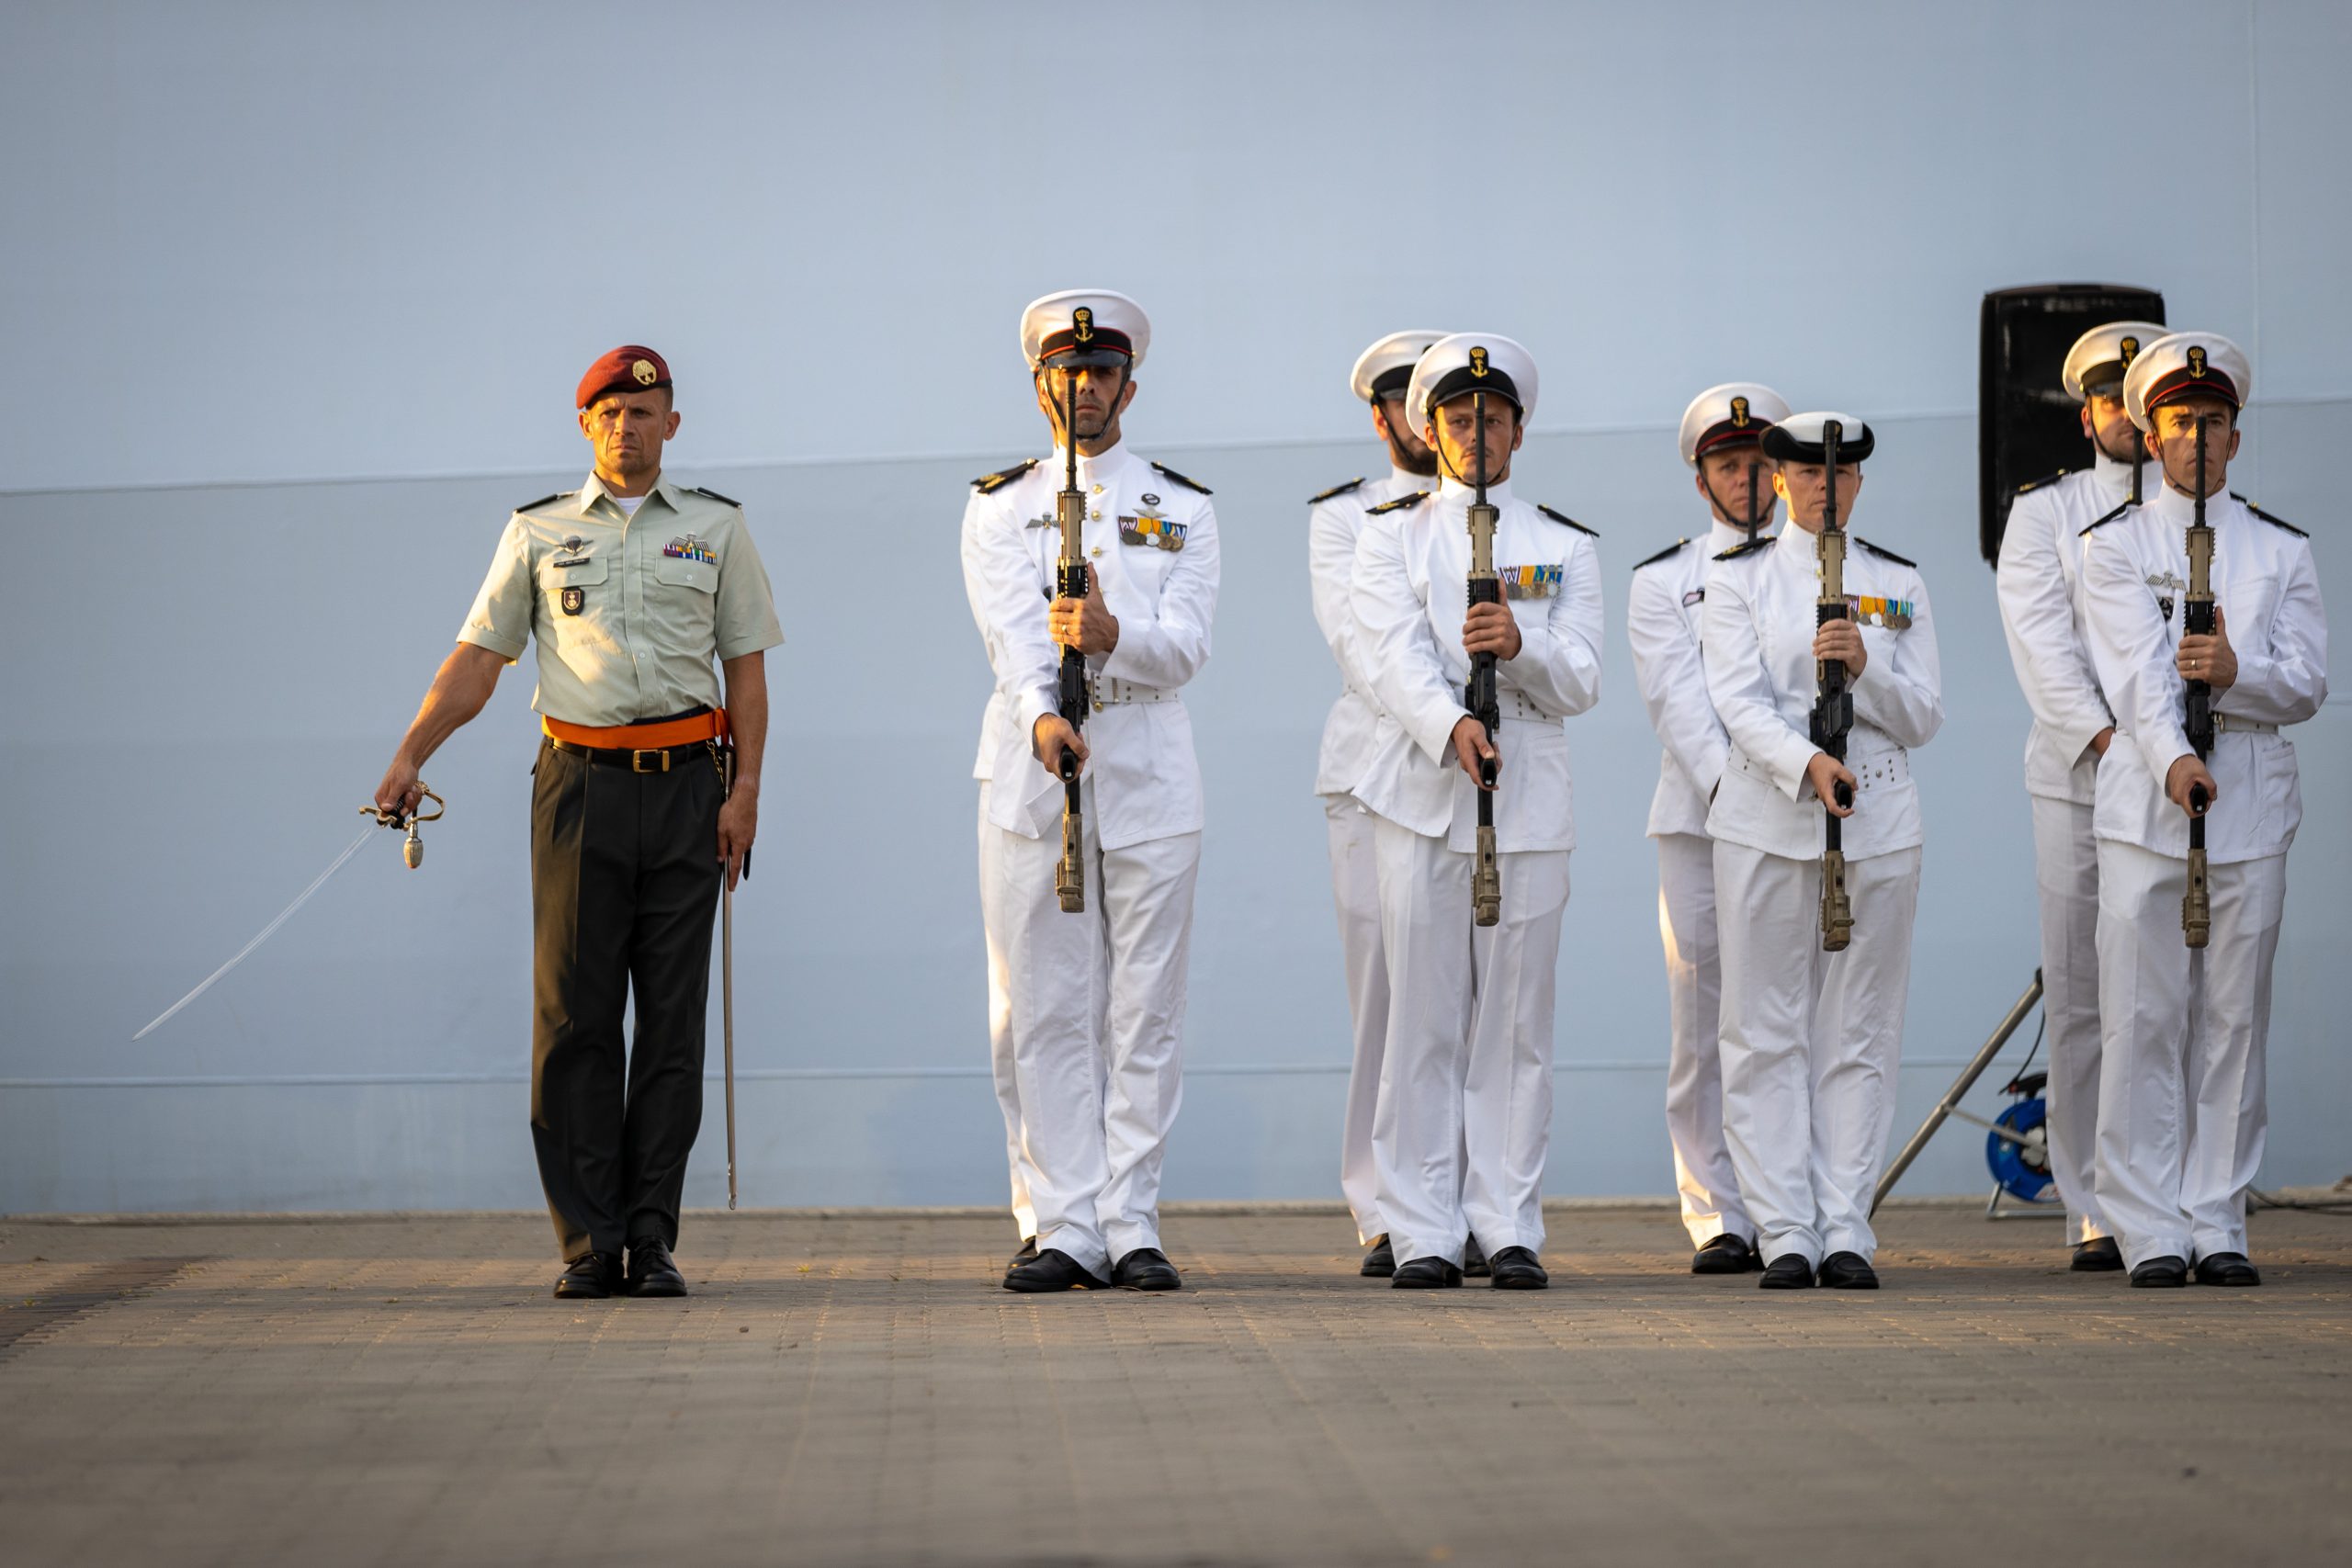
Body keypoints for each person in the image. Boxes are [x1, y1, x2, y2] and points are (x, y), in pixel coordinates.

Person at [371, 345, 781, 1299]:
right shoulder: (537, 530)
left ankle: (651, 1237)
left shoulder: (718, 529)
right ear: (586, 424)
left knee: (670, 1024)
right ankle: (590, 1241)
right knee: (572, 1019)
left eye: (644, 414)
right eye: (608, 414)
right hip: (579, 788)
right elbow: (479, 660)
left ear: (671, 425)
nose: (625, 428)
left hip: (688, 788)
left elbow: (747, 671)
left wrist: (747, 790)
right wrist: (410, 752)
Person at [960, 289, 1221, 1292]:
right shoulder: (998, 505)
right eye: (1067, 374)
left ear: (1128, 385)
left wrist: (1118, 638)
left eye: (1102, 372)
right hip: (1037, 766)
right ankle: (1062, 1220)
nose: (1084, 388)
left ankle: (1131, 1218)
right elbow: (1010, 631)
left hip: (1149, 768)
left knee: (1143, 1007)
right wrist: (1040, 712)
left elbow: (1189, 644)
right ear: (1041, 386)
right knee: (1041, 1005)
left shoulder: (1182, 506)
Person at [1350, 333, 1603, 1289]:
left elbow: (1582, 676)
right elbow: (1387, 656)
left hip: (1529, 796)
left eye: (1493, 420)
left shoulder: (1563, 542)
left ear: (1519, 430)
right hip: (1424, 795)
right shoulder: (1391, 533)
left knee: (1514, 1025)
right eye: (1459, 420)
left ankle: (1505, 1224)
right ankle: (1419, 1228)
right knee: (1423, 1017)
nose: (1477, 435)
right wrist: (1450, 720)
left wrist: (1522, 641)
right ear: (1431, 430)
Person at [2079, 332, 2327, 1289]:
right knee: (2141, 1018)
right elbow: (2136, 679)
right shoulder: (2110, 550)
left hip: (2251, 809)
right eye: (2179, 422)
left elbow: (2305, 681)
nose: (2197, 439)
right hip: (2149, 805)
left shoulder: (2279, 549)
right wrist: (2178, 756)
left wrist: (2237, 673)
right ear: (2148, 435)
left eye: (2214, 421)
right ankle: (2146, 1225)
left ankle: (2216, 1216)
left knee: (2231, 1020)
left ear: (2235, 433)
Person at [1704, 412, 1942, 1291]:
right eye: (1805, 475)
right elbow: (1735, 698)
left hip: (1877, 813)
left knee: (1860, 1028)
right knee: (1765, 1029)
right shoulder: (1741, 580)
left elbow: (1925, 714)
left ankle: (1844, 1222)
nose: (1823, 489)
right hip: (1771, 809)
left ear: (1858, 484)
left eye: (1838, 476)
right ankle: (1784, 1227)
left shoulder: (1898, 581)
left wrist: (1867, 660)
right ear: (1780, 482)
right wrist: (1807, 763)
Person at [1995, 320, 2164, 1271]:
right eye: (2106, 404)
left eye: (2134, 404)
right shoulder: (2044, 516)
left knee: (2173, 993)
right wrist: (2119, 746)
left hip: (2182, 785)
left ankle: (2167, 1191)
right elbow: (2044, 652)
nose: (2122, 421)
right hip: (2081, 779)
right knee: (2084, 996)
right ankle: (2094, 1204)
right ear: (2089, 415)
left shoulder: (2193, 512)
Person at [1628, 382, 1791, 1275]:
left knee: (1785, 1019)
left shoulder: (1820, 571)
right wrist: (1746, 799)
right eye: (1729, 465)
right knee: (1703, 1025)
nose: (1748, 478)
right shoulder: (1665, 581)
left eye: (1762, 460)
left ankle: (1785, 1205)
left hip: (1803, 829)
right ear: (1702, 483)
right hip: (1702, 825)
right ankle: (1718, 1214)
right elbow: (1679, 707)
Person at [1307, 329, 1454, 1279]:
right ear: (1380, 415)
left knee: (1464, 999)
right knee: (1386, 998)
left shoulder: (1489, 517)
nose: (1417, 418)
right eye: (1403, 402)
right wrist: (1442, 711)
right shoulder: (1345, 516)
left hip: (1469, 779)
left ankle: (1456, 1197)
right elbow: (1359, 642)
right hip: (1373, 774)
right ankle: (1381, 1206)